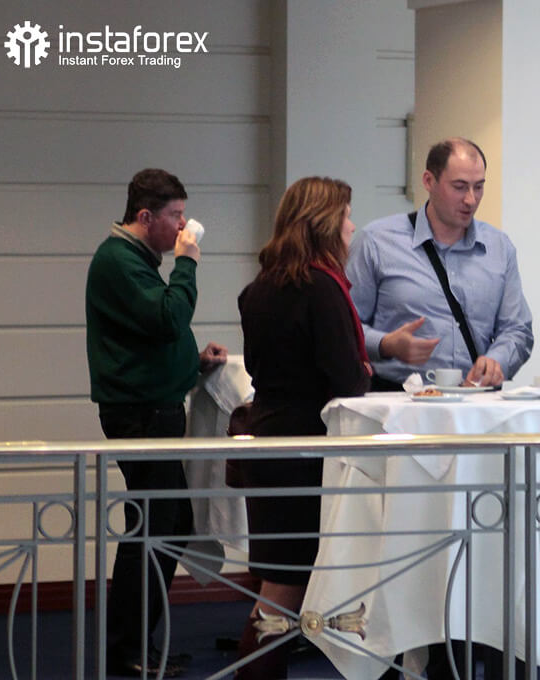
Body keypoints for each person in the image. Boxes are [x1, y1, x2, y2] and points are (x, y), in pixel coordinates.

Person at [85, 168, 228, 678]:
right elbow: (169, 318)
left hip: (154, 407)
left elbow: (150, 334)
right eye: (176, 216)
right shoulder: (119, 261)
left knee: (168, 523)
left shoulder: (135, 261)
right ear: (146, 217)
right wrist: (188, 262)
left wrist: (193, 363)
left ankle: (136, 643)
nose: (184, 226)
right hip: (140, 414)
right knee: (153, 526)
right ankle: (127, 650)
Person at [235, 177, 371, 678]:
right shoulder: (322, 287)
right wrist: (364, 370)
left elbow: (257, 367)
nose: (352, 227)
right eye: (347, 216)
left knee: (278, 586)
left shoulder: (259, 288)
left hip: (268, 441)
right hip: (305, 451)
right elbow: (346, 378)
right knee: (283, 593)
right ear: (325, 223)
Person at [347, 137, 533, 391]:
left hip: (475, 398)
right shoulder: (377, 242)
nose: (471, 199)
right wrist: (385, 344)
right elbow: (345, 327)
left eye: (479, 187)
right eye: (459, 187)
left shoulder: (499, 247)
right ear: (428, 181)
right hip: (397, 398)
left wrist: (496, 362)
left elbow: (517, 329)